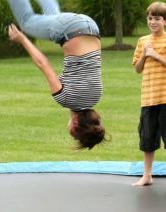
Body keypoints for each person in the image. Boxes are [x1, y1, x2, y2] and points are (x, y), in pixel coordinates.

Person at [6, 0, 106, 150]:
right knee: (26, 22)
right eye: (73, 134)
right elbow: (43, 63)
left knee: (53, 17)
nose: (70, 133)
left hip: (90, 26)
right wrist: (22, 39)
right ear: (76, 124)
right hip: (69, 30)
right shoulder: (65, 99)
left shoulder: (96, 96)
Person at [131, 2, 166, 186]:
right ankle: (147, 175)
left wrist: (156, 55)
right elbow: (137, 69)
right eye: (150, 18)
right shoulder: (142, 41)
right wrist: (145, 55)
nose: (153, 22)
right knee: (147, 138)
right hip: (148, 97)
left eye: (157, 19)